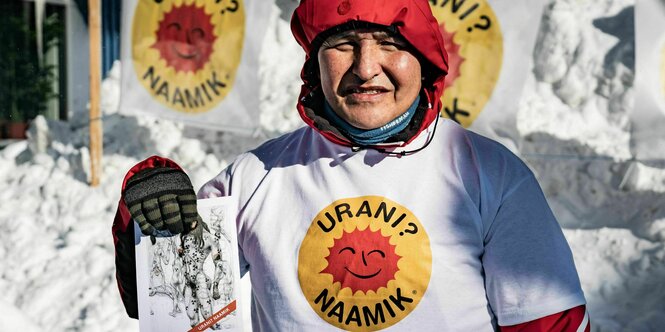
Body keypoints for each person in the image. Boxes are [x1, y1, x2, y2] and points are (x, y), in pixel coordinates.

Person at [112, 0, 590, 330]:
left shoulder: (488, 173)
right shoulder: (258, 176)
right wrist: (149, 211)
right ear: (314, 63)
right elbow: (172, 305)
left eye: (390, 42)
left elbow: (547, 323)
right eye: (342, 44)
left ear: (423, 58)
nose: (365, 68)